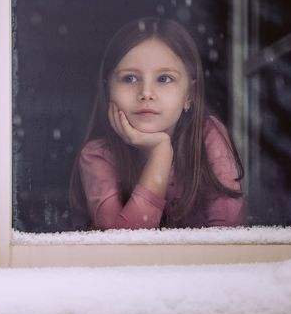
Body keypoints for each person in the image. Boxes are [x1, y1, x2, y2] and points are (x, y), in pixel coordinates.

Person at [69, 17, 244, 229]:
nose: (146, 93)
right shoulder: (97, 156)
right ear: (108, 91)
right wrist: (160, 153)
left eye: (164, 79)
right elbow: (121, 247)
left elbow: (226, 239)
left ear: (190, 95)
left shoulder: (207, 136)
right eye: (130, 79)